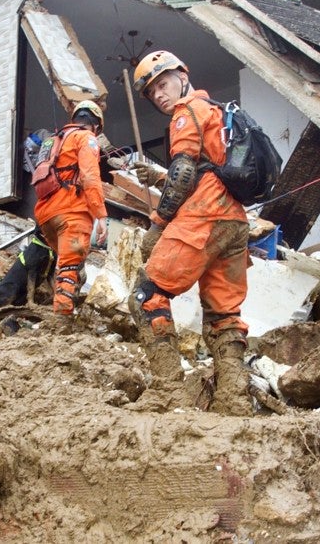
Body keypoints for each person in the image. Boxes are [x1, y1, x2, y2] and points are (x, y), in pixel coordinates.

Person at [129, 50, 253, 416]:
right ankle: (235, 400)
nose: (160, 95)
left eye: (163, 84)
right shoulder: (215, 111)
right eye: (152, 93)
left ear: (183, 75)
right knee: (223, 315)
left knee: (145, 296)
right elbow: (204, 170)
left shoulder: (187, 111)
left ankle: (170, 393)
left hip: (205, 216)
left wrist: (158, 223)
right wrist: (158, 177)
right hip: (234, 220)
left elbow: (184, 174)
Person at [32, 100, 108, 320]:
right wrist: (101, 215)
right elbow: (90, 177)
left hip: (47, 216)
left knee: (69, 265)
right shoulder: (86, 138)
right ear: (95, 126)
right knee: (68, 269)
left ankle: (71, 296)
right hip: (72, 214)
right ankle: (62, 323)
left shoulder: (53, 142)